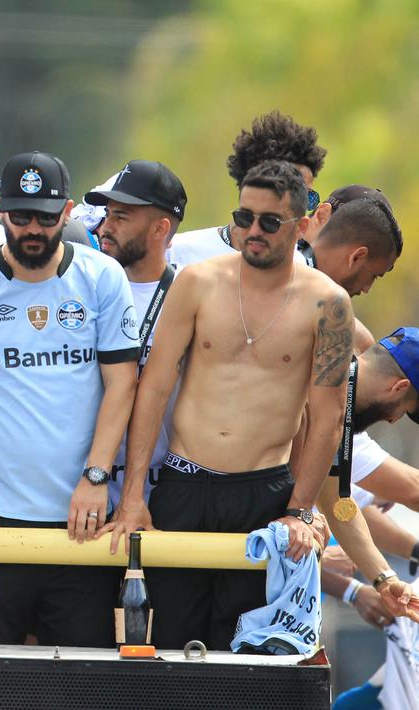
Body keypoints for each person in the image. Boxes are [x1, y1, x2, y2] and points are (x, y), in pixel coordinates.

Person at [104, 160, 417, 650]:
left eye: (269, 222)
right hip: (184, 484)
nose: (252, 231)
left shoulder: (330, 306)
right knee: (163, 648)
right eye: (243, 217)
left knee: (247, 657)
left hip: (263, 494)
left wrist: (298, 510)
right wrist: (133, 495)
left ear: (301, 225)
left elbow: (328, 420)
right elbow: (154, 389)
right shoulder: (195, 281)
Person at [0, 151, 139, 647]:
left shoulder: (101, 276)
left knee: (77, 685)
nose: (32, 229)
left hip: (79, 524)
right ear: (1, 209)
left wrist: (95, 477)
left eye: (45, 217)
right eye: (20, 215)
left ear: (67, 212)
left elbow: (122, 384)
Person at [82, 160, 187, 505]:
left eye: (120, 217)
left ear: (160, 229)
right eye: (107, 214)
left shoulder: (190, 297)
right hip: (83, 490)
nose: (104, 227)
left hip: (162, 496)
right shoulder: (80, 288)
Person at [168, 110, 326, 267]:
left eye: (308, 197)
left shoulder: (304, 270)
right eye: (287, 189)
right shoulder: (177, 254)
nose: (300, 207)